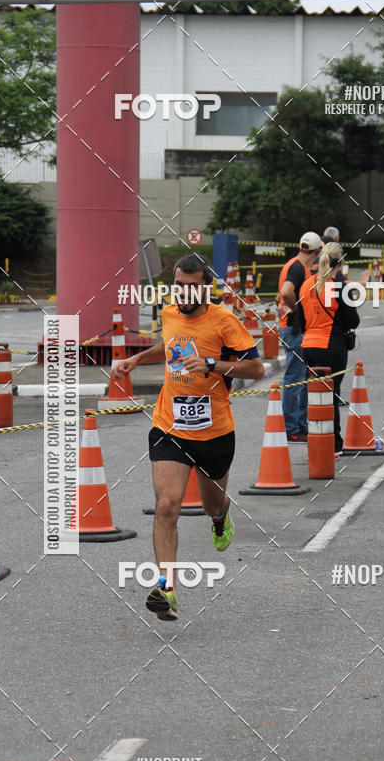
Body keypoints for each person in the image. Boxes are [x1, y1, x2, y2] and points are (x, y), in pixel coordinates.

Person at [113, 254, 264, 621]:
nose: (182, 292)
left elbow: (257, 367)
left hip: (214, 432)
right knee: (167, 504)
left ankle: (221, 514)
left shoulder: (224, 320)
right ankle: (167, 588)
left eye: (190, 286)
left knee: (211, 504)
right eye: (178, 285)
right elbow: (169, 345)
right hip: (170, 426)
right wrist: (138, 359)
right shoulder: (168, 314)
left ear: (205, 288)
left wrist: (213, 364)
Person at [298, 242, 359, 455]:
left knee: (315, 395)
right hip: (332, 346)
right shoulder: (340, 288)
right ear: (340, 263)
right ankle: (332, 444)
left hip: (308, 346)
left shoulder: (306, 285)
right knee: (331, 395)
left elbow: (300, 318)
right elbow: (353, 321)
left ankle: (316, 438)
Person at [278, 232, 322, 442]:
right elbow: (287, 292)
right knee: (295, 378)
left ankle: (297, 425)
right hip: (293, 328)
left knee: (299, 377)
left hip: (289, 327)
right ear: (317, 251)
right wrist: (298, 309)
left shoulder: (292, 264)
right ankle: (292, 428)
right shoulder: (298, 268)